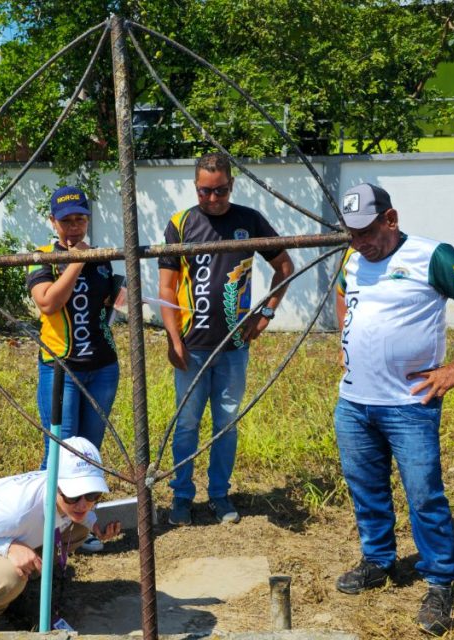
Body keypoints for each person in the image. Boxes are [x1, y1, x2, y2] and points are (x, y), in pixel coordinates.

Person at [332, 183, 454, 635]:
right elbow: (343, 295)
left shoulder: (433, 256)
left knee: (424, 495)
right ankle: (378, 561)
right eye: (351, 234)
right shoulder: (352, 258)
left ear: (391, 219)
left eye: (367, 231)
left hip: (410, 405)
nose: (359, 242)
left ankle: (441, 581)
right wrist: (345, 339)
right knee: (365, 488)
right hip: (354, 402)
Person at [158, 152, 294, 526]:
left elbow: (284, 266)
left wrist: (266, 313)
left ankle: (219, 495)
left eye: (220, 190)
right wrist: (173, 339)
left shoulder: (250, 221)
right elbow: (166, 289)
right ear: (195, 187)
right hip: (191, 347)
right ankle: (182, 497)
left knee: (226, 423)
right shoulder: (180, 224)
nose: (213, 198)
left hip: (234, 346)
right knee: (187, 424)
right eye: (205, 191)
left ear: (231, 185)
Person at [0, 436, 121, 626]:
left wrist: (94, 525)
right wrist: (8, 548)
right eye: (73, 495)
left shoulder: (61, 495)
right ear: (54, 483)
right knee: (9, 577)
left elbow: (81, 510)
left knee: (78, 530)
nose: (83, 504)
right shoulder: (17, 509)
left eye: (92, 494)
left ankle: (26, 584)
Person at [27, 186, 120, 552]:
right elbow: (48, 303)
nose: (74, 227)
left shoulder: (102, 257)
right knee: (59, 452)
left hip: (102, 367)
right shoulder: (42, 258)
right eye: (66, 221)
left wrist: (122, 295)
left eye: (80, 219)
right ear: (53, 222)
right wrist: (77, 261)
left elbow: (109, 303)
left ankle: (82, 529)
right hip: (60, 368)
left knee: (88, 454)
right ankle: (45, 531)